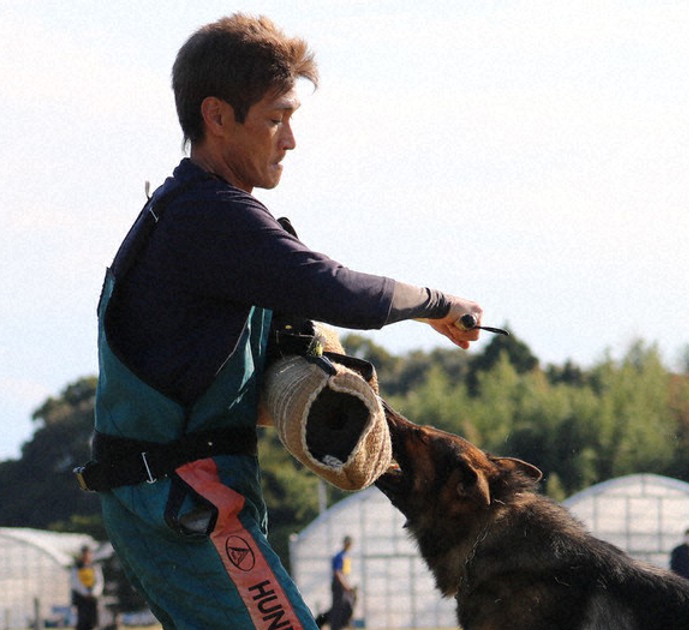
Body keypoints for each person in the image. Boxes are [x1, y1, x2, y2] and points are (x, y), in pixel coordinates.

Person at [82, 13, 483, 630]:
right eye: (275, 119)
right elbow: (339, 291)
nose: (290, 140)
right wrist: (437, 303)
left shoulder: (186, 211)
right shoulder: (211, 219)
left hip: (175, 497)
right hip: (184, 502)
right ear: (216, 117)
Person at [69, 546, 103, 630]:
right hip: (81, 598)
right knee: (82, 621)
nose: (86, 556)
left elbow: (99, 581)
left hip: (93, 598)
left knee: (93, 622)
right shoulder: (76, 568)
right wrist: (85, 592)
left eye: (88, 554)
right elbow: (75, 582)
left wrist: (94, 592)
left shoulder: (95, 566)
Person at [327, 537, 355, 630]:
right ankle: (335, 627)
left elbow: (345, 573)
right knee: (338, 608)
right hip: (339, 584)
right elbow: (338, 572)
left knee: (347, 605)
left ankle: (343, 625)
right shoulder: (340, 556)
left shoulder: (346, 556)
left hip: (343, 582)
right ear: (345, 544)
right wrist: (346, 585)